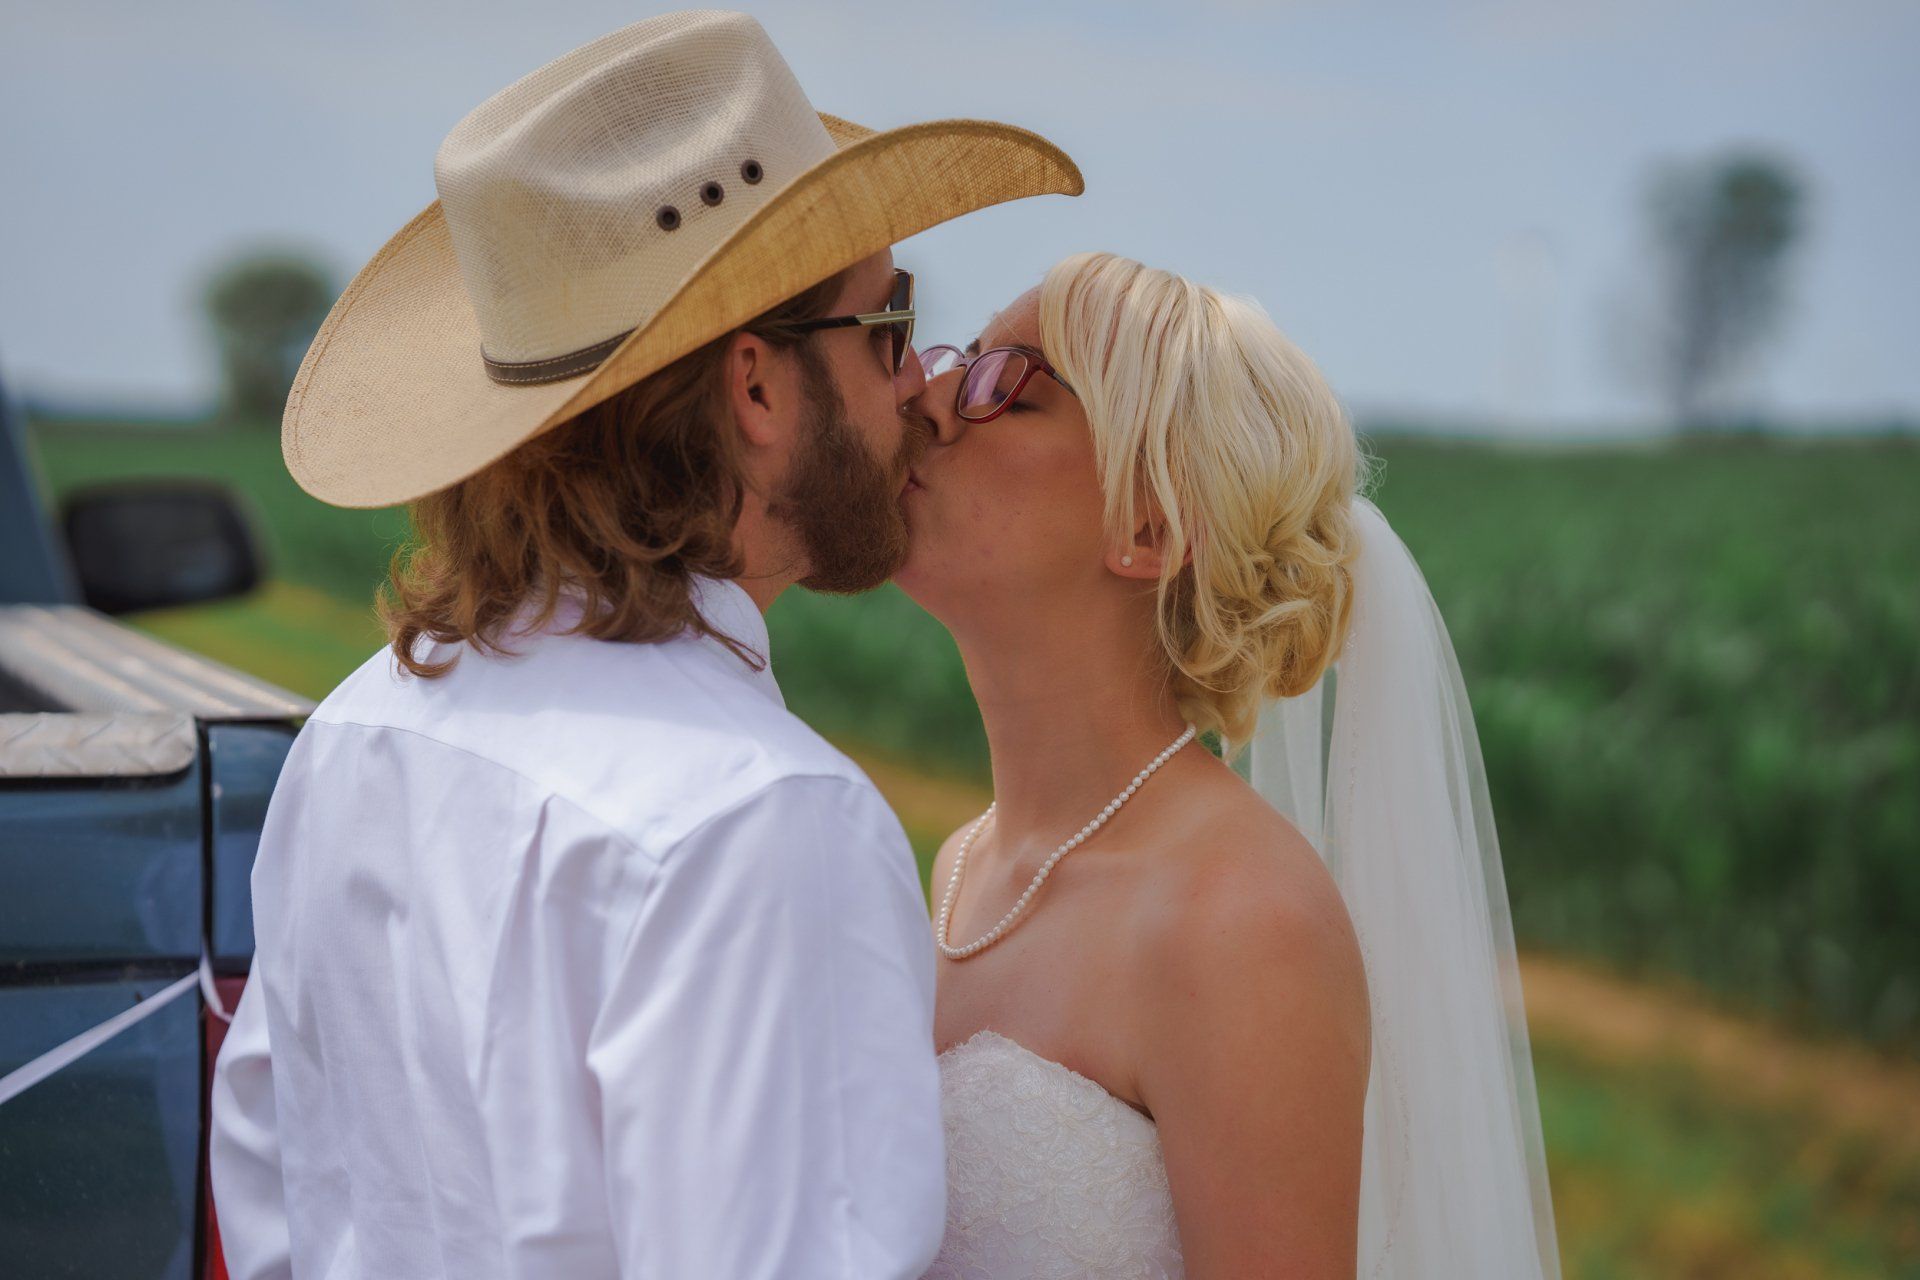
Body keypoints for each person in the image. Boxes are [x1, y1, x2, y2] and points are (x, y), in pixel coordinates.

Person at [206, 12, 1080, 1278]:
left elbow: (272, 1199)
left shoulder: (354, 731)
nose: (915, 385)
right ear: (758, 387)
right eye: (889, 322)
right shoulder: (766, 819)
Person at [898, 252, 1562, 1278]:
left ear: (1150, 526)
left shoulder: (1239, 919)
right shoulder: (966, 864)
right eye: (959, 359)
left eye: (1005, 383)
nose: (929, 397)